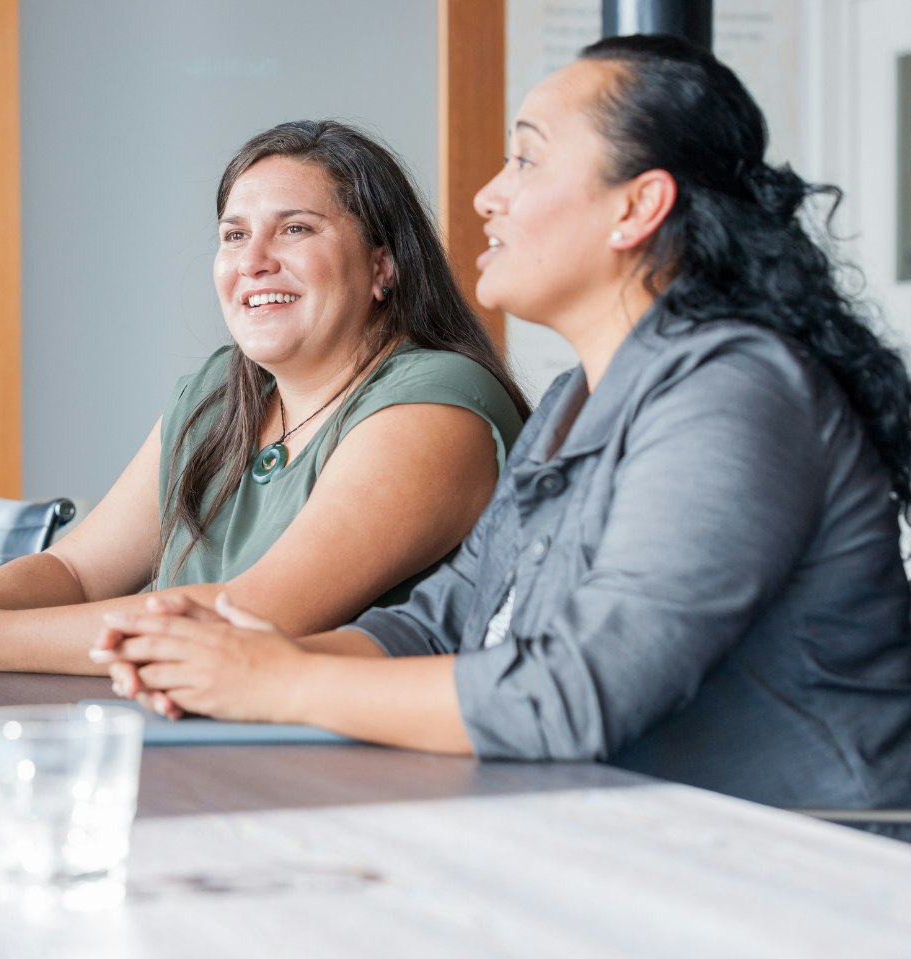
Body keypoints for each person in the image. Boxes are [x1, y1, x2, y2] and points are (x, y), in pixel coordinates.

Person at [98, 35, 911, 812]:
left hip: (812, 862)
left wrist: (273, 681)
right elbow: (438, 624)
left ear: (637, 208)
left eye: (525, 159)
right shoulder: (571, 403)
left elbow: (572, 694)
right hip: (642, 839)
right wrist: (220, 658)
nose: (488, 195)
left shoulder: (737, 394)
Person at [0, 121, 526, 675]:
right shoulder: (219, 392)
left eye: (295, 229)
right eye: (234, 235)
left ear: (383, 265)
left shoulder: (438, 404)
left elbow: (260, 613)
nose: (253, 261)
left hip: (360, 776)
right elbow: (75, 572)